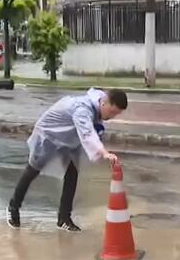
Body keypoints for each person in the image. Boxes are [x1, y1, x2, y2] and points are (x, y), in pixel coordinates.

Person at [8, 88, 128, 231]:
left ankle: (64, 218)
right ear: (104, 104)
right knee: (32, 170)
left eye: (116, 114)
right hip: (48, 134)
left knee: (72, 173)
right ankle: (13, 207)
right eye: (112, 112)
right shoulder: (82, 110)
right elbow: (87, 133)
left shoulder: (100, 99)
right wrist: (104, 152)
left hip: (68, 137)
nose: (112, 116)